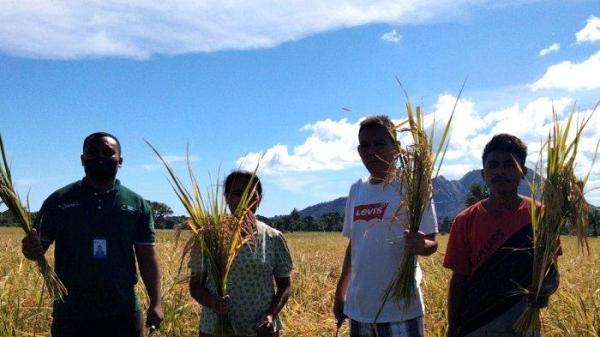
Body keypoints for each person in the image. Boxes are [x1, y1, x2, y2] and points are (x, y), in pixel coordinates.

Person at [21, 132, 163, 337]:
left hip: (123, 312)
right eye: (93, 152)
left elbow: (147, 257)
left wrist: (156, 302)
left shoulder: (136, 204)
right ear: (82, 159)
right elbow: (36, 250)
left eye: (108, 153)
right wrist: (29, 248)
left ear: (120, 161)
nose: (100, 157)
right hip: (71, 313)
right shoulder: (58, 201)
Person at [444, 134, 559, 337]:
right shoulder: (465, 221)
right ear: (483, 173)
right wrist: (452, 328)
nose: (500, 171)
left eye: (509, 165)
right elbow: (459, 279)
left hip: (524, 327)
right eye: (493, 165)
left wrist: (545, 292)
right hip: (476, 326)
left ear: (522, 172)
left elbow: (551, 271)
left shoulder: (540, 216)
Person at [333, 115, 438, 337]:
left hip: (400, 310)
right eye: (365, 145)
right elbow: (354, 245)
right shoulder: (356, 190)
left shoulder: (413, 187)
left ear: (396, 148)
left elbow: (432, 243)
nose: (372, 151)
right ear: (359, 151)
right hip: (360, 309)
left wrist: (422, 244)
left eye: (380, 143)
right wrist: (340, 292)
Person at [189, 171, 293, 337]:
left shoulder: (273, 238)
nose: (245, 200)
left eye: (252, 194)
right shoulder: (209, 236)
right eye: (238, 193)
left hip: (260, 330)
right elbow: (195, 285)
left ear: (260, 198)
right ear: (226, 197)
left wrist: (271, 315)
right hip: (216, 328)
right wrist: (213, 303)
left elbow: (285, 286)